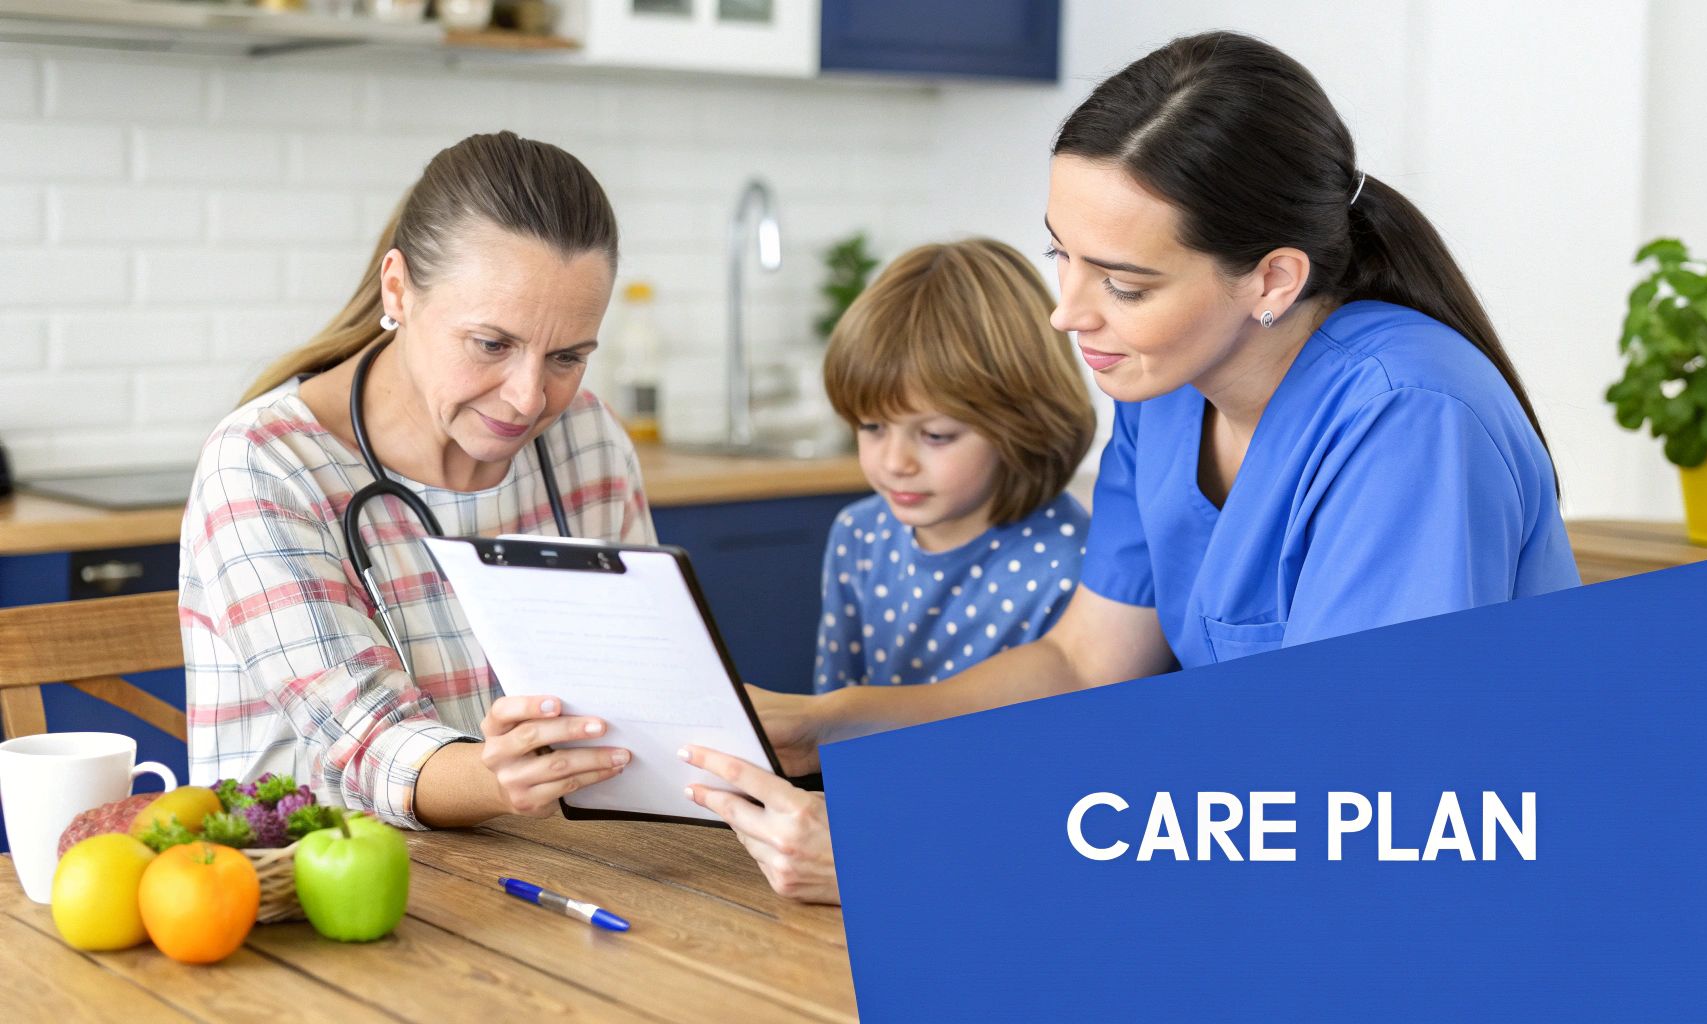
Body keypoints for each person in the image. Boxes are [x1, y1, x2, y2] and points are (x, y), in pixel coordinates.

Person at [684, 31, 1581, 902]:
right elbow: (1081, 670)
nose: (1066, 315)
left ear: (1272, 280)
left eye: (1124, 284)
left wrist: (916, 847)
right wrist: (822, 726)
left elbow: (1345, 798)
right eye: (1059, 256)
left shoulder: (1407, 419)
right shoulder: (1162, 390)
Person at [180, 131, 653, 830]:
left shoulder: (584, 435)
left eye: (567, 356)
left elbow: (641, 679)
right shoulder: (266, 464)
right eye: (492, 345)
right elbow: (370, 746)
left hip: (554, 860)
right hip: (319, 885)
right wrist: (511, 778)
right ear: (397, 289)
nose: (529, 398)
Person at [812, 239, 1094, 693]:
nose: (893, 463)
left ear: (1021, 421)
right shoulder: (858, 534)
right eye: (871, 427)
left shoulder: (1072, 565)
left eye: (935, 435)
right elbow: (830, 712)